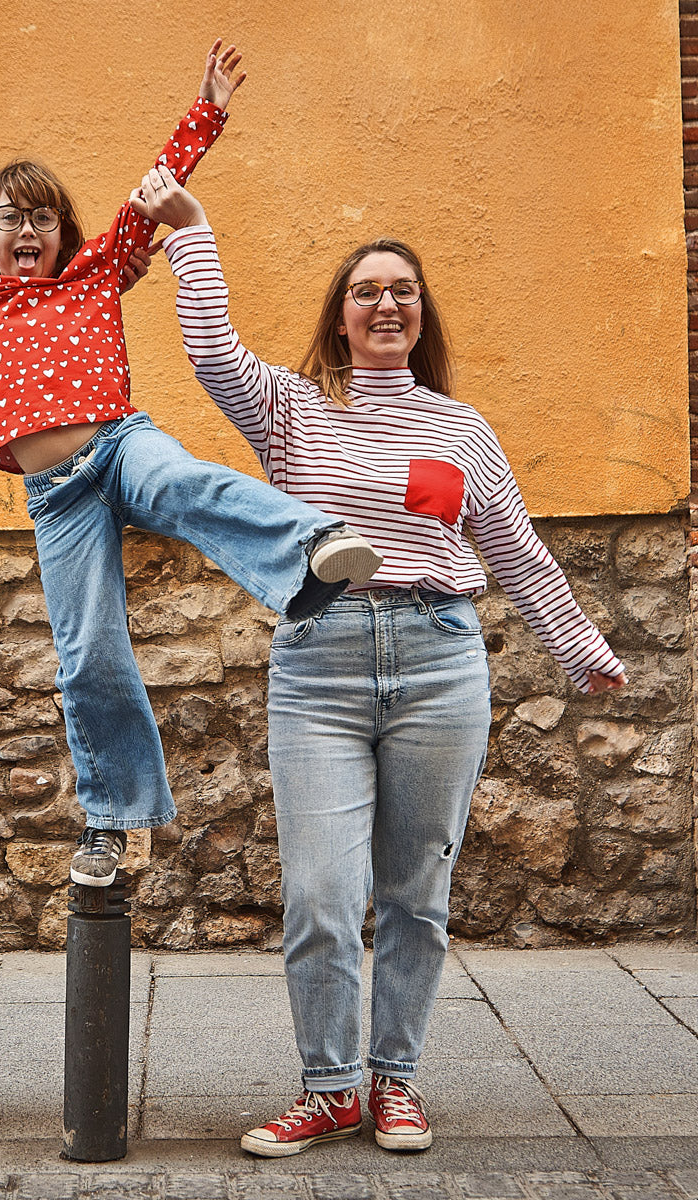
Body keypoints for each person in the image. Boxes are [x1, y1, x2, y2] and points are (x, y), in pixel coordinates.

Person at [0, 41, 383, 889]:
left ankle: (313, 549)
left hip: (119, 443)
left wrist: (208, 108)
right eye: (8, 217)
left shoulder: (96, 271)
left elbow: (157, 186)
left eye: (39, 217)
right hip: (57, 497)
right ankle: (111, 822)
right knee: (89, 652)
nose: (25, 229)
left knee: (185, 484)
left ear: (62, 232)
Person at [131, 164, 626, 1155]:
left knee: (417, 892)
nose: (386, 302)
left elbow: (516, 552)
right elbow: (211, 352)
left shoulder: (462, 429)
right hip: (320, 660)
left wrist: (582, 650)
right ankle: (328, 1087)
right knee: (320, 894)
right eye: (367, 291)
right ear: (342, 318)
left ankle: (394, 1081)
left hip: (442, 663)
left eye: (403, 289)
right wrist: (189, 229)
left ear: (421, 314)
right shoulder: (292, 410)